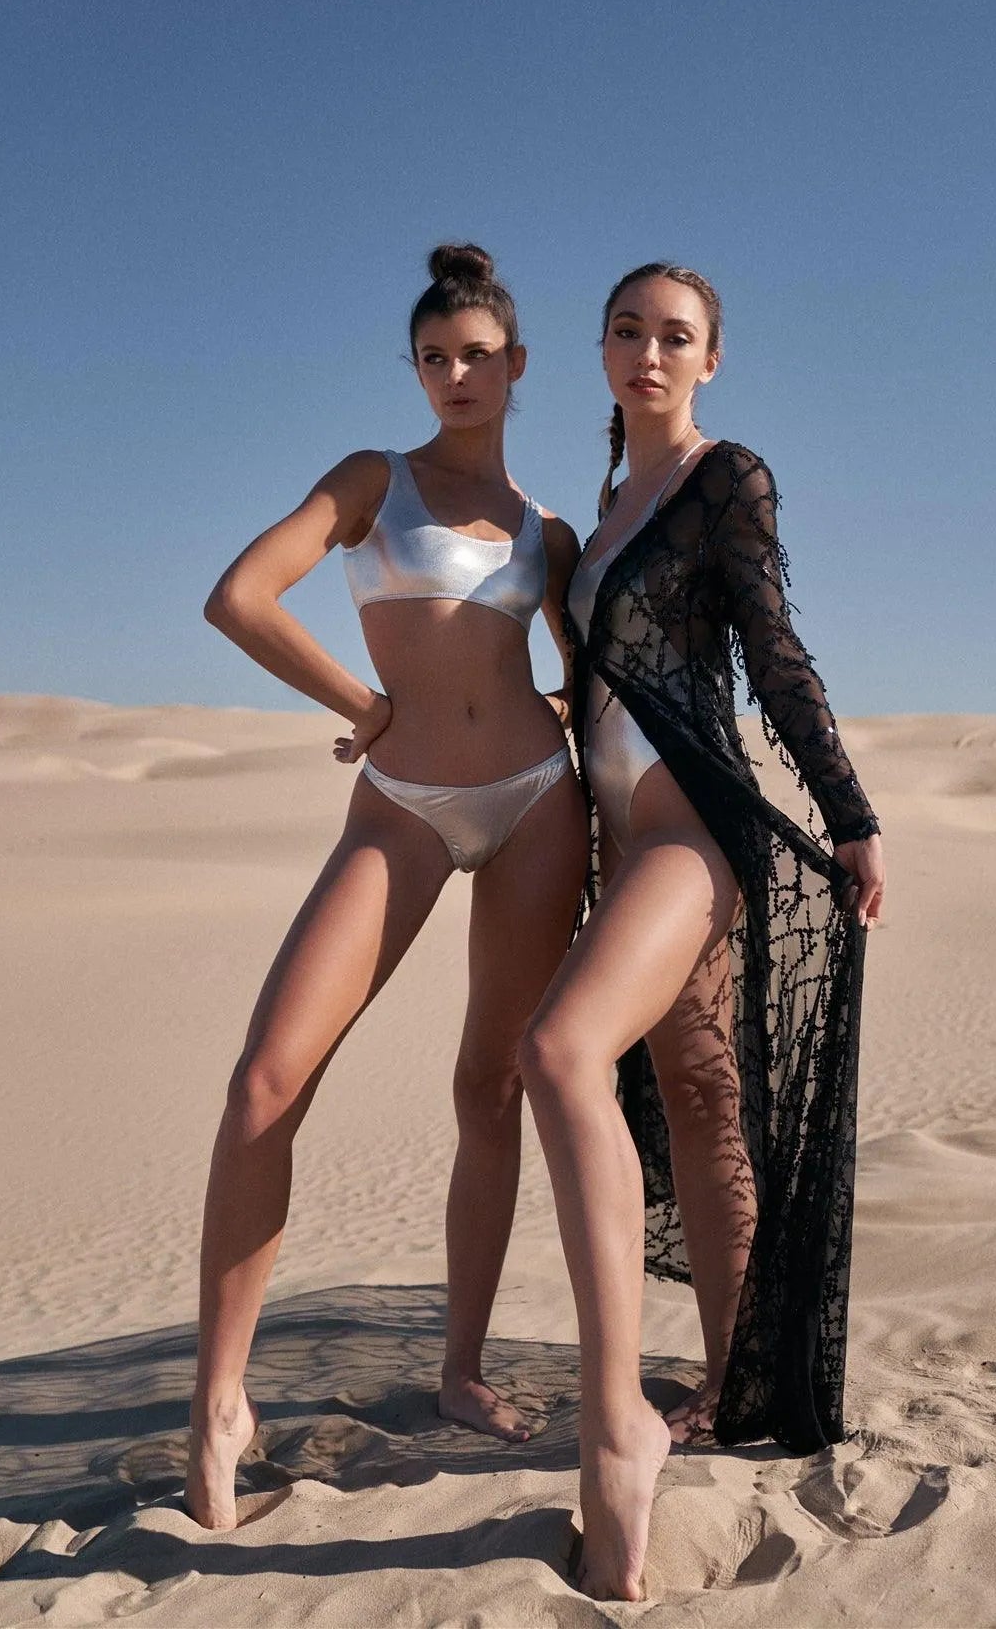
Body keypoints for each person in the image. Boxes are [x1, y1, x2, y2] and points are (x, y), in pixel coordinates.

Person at [186, 244, 587, 1530]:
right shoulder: (374, 481)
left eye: (477, 355)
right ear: (414, 371)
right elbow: (240, 597)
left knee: (492, 1085)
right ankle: (219, 1404)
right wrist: (360, 703)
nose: (455, 374)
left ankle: (462, 1370)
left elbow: (592, 674)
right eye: (433, 357)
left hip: (537, 803)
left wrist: (568, 716)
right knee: (265, 1082)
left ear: (518, 366)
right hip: (401, 806)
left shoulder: (550, 533)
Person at [519, 262, 885, 1601]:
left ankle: (615, 1415)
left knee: (560, 1052)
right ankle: (737, 1383)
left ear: (711, 359)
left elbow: (772, 651)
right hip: (617, 841)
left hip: (692, 829)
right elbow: (588, 685)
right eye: (629, 331)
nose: (650, 353)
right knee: (697, 1089)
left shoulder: (726, 479)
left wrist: (849, 813)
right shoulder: (605, 510)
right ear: (602, 350)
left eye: (677, 336)